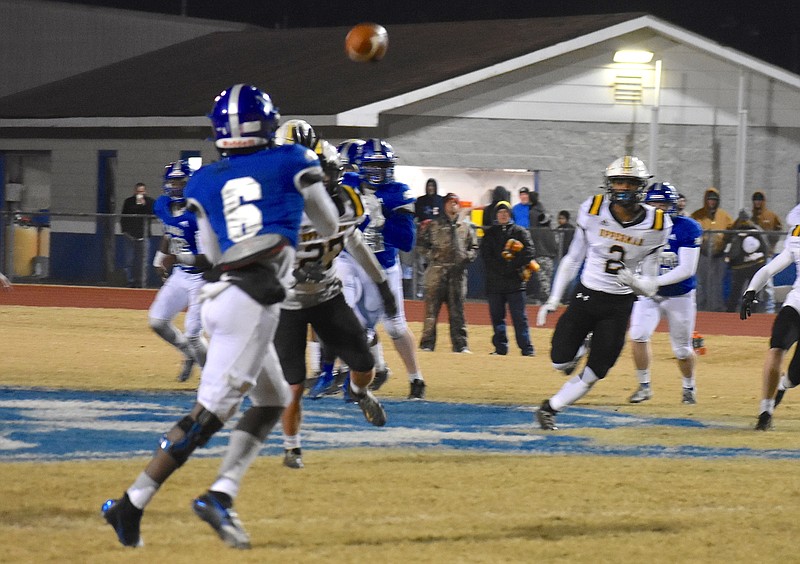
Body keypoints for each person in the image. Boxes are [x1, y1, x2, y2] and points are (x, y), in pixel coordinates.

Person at [101, 84, 340, 549]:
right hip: (252, 301)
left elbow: (210, 252)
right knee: (208, 415)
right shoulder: (292, 158)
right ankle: (135, 501)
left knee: (270, 401)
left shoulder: (203, 181)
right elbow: (329, 224)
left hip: (224, 295)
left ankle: (214, 492)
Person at [272, 129, 394, 470]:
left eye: (329, 172)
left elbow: (354, 241)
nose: (325, 180)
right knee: (293, 385)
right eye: (318, 173)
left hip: (327, 295)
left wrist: (382, 284)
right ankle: (292, 448)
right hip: (288, 304)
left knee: (365, 364)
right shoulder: (277, 207)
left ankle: (359, 393)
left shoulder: (345, 203)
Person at [534, 156, 671, 430]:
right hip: (586, 297)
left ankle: (550, 408)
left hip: (619, 305)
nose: (622, 187)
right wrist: (553, 297)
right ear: (609, 184)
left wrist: (634, 281)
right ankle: (584, 343)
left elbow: (652, 285)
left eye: (629, 182)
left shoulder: (658, 225)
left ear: (641, 186)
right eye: (618, 181)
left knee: (598, 369)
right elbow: (573, 258)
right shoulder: (593, 209)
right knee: (560, 362)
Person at [336, 138, 428, 399]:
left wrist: (383, 220)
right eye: (374, 166)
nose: (381, 172)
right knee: (352, 321)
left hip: (384, 266)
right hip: (350, 260)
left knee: (395, 326)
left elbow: (407, 242)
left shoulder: (399, 192)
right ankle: (353, 376)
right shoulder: (349, 183)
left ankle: (416, 379)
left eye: (385, 165)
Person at [627, 182, 703, 405]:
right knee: (638, 335)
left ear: (672, 205)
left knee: (681, 349)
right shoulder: (638, 227)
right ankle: (644, 386)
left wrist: (653, 281)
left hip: (679, 295)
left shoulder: (687, 227)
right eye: (653, 203)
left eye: (662, 203)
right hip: (649, 295)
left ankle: (689, 387)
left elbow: (687, 269)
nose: (658, 208)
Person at [740, 204, 800, 430]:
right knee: (776, 348)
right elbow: (770, 268)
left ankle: (784, 385)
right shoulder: (796, 232)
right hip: (797, 302)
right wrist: (751, 290)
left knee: (795, 376)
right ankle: (765, 411)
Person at [148, 160, 209, 382]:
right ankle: (189, 354)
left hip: (202, 277)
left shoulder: (198, 214)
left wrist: (177, 257)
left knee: (193, 333)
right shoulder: (164, 205)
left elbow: (208, 258)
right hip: (181, 273)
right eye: (173, 182)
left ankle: (213, 377)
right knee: (157, 321)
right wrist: (159, 259)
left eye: (181, 182)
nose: (176, 187)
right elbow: (169, 232)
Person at [418, 192, 478, 353]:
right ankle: (427, 344)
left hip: (457, 276)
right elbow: (421, 245)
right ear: (444, 205)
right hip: (436, 274)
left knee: (457, 312)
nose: (453, 205)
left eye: (456, 202)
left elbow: (474, 247)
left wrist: (467, 257)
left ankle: (461, 345)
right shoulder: (433, 225)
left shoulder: (465, 227)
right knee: (431, 311)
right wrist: (433, 256)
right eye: (450, 202)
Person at [480, 200, 536, 356]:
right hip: (495, 284)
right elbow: (486, 256)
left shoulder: (520, 231)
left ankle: (527, 348)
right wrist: (501, 268)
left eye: (506, 212)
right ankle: (500, 348)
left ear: (510, 214)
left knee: (519, 318)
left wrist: (512, 267)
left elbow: (529, 252)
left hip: (515, 283)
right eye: (500, 212)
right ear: (496, 215)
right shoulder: (490, 233)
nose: (503, 215)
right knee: (497, 318)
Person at [690, 188, 733, 311]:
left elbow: (732, 232)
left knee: (717, 283)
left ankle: (716, 308)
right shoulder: (697, 215)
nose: (712, 202)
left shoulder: (724, 216)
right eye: (709, 199)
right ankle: (700, 307)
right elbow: (692, 231)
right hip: (702, 254)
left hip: (719, 255)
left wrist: (726, 245)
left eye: (714, 200)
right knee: (700, 282)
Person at [725, 210, 768, 313]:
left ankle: (753, 311)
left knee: (753, 290)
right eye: (742, 219)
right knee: (737, 290)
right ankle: (730, 312)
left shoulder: (755, 230)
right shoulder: (736, 230)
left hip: (754, 266)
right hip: (740, 267)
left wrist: (763, 261)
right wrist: (730, 259)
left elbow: (765, 247)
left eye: (745, 219)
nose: (744, 221)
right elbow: (732, 247)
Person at [751, 190, 783, 313]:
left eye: (760, 199)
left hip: (766, 256)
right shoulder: (750, 217)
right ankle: (750, 307)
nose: (757, 202)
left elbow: (779, 230)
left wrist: (771, 245)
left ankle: (769, 310)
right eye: (755, 200)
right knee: (753, 283)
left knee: (768, 284)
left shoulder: (771, 216)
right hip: (752, 256)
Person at [120, 182, 155, 287]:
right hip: (130, 236)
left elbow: (152, 214)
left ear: (145, 191)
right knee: (129, 260)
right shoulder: (129, 202)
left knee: (144, 261)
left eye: (142, 191)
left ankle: (142, 282)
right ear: (135, 192)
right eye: (138, 191)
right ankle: (130, 281)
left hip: (144, 236)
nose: (140, 193)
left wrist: (144, 205)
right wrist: (125, 231)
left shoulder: (150, 202)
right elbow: (124, 216)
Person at [413, 178, 443, 298]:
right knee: (421, 264)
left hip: (436, 238)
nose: (431, 188)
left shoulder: (440, 201)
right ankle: (421, 288)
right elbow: (414, 216)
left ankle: (435, 288)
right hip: (422, 237)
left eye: (432, 186)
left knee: (435, 264)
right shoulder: (420, 201)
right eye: (429, 186)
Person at [527, 191, 557, 303]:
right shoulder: (549, 229)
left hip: (540, 253)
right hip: (548, 255)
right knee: (546, 278)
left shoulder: (533, 215)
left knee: (542, 277)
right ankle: (545, 297)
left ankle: (546, 298)